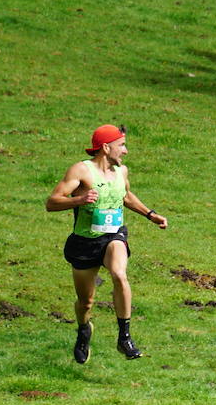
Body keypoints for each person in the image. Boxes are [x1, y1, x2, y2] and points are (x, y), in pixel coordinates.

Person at [46, 126, 168, 364]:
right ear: (105, 147)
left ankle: (124, 336)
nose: (126, 151)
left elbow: (125, 196)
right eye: (121, 145)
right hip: (85, 241)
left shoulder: (121, 171)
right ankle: (83, 330)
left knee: (119, 274)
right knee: (86, 302)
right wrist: (79, 200)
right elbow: (51, 203)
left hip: (113, 235)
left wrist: (150, 214)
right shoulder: (82, 170)